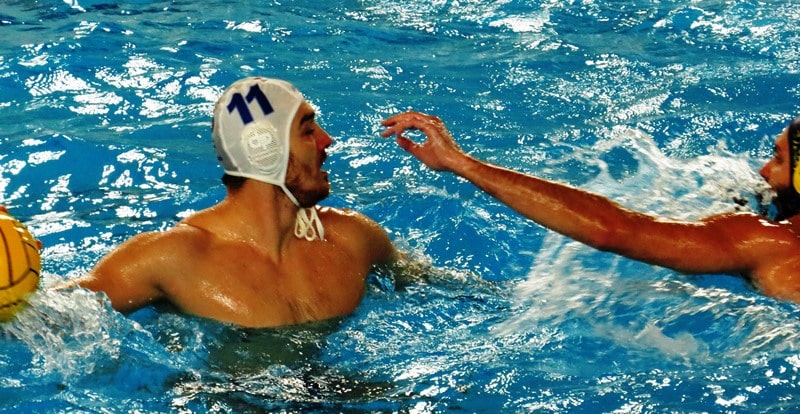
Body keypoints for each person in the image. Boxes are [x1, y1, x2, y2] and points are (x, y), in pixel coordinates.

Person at [60, 77, 404, 328]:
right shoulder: (174, 259)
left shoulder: (354, 238)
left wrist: (443, 166)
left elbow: (433, 287)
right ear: (264, 149)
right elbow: (54, 312)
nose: (327, 141)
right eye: (307, 130)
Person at [381, 111, 800, 303]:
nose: (763, 170)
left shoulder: (772, 241)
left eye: (780, 159)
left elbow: (611, 229)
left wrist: (462, 163)